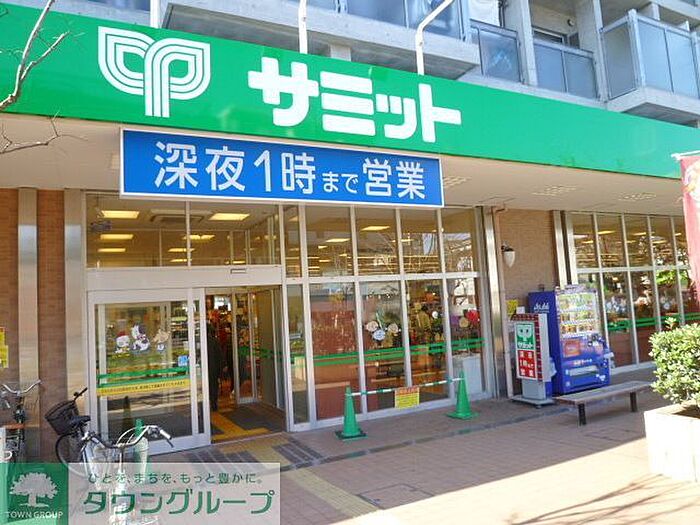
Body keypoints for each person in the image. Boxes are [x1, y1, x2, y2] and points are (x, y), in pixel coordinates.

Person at [206, 324, 222, 412]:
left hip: (203, 369)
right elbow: (219, 356)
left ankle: (205, 404)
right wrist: (220, 369)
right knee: (213, 386)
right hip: (213, 368)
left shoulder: (199, 341)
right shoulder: (214, 341)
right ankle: (214, 404)